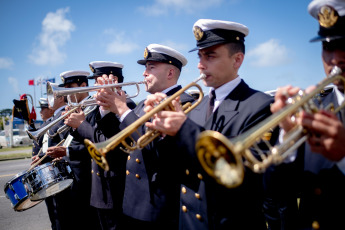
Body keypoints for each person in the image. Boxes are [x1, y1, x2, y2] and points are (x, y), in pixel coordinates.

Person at [142, 20, 275, 230]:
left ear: (237, 60)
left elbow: (247, 180)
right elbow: (173, 169)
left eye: (210, 56)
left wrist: (183, 129)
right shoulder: (196, 105)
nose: (200, 65)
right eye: (200, 56)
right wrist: (162, 132)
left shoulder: (260, 105)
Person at [94, 44, 195, 230]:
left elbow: (153, 148)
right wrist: (107, 107)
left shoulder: (184, 102)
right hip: (132, 203)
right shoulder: (140, 107)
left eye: (151, 67)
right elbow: (115, 140)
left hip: (157, 208)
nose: (144, 74)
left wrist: (123, 109)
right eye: (145, 68)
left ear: (170, 73)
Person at [264, 0, 345, 229]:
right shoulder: (317, 108)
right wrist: (287, 140)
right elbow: (276, 194)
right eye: (328, 47)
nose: (335, 59)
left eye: (344, 44)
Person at [65, 61, 136, 230]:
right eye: (95, 81)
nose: (95, 86)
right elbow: (87, 139)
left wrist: (81, 124)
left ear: (114, 80)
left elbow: (107, 145)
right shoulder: (96, 109)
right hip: (98, 193)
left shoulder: (127, 108)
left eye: (99, 81)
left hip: (116, 190)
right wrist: (76, 125)